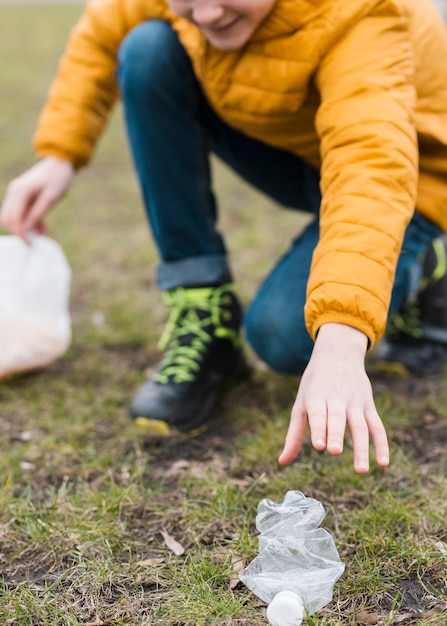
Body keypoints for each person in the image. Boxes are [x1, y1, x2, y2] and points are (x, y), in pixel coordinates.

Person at [2, 0, 447, 475]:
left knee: (284, 338)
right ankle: (204, 316)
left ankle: (424, 258)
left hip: (411, 176)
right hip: (304, 152)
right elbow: (99, 35)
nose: (208, 14)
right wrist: (60, 154)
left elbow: (369, 167)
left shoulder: (364, 11)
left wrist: (342, 336)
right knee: (149, 48)